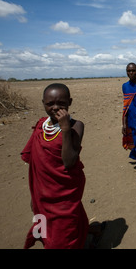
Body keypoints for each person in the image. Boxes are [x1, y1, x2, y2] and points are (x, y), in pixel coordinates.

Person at [21, 83, 89, 249]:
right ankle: (86, 235)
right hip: (43, 190)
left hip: (65, 189)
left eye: (61, 103)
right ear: (43, 103)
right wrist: (35, 194)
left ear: (70, 102)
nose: (56, 107)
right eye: (50, 104)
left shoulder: (76, 126)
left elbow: (69, 161)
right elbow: (35, 163)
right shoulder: (41, 126)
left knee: (63, 232)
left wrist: (65, 129)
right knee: (49, 226)